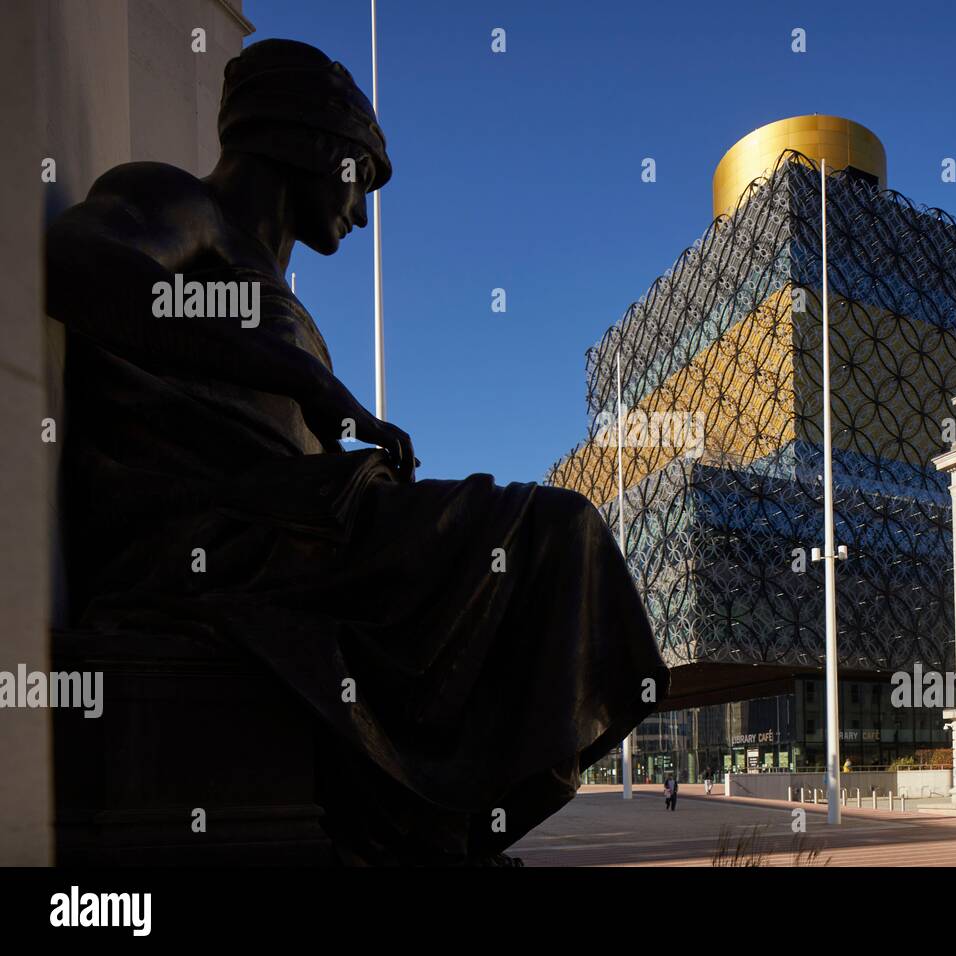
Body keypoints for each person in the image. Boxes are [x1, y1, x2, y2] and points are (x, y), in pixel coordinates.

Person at [44, 38, 668, 865]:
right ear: (300, 141)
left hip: (287, 525)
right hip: (214, 539)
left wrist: (334, 433)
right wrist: (300, 374)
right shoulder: (179, 202)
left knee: (547, 547)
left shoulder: (270, 281)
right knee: (557, 533)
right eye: (358, 175)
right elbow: (79, 265)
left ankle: (441, 817)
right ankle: (440, 815)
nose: (362, 213)